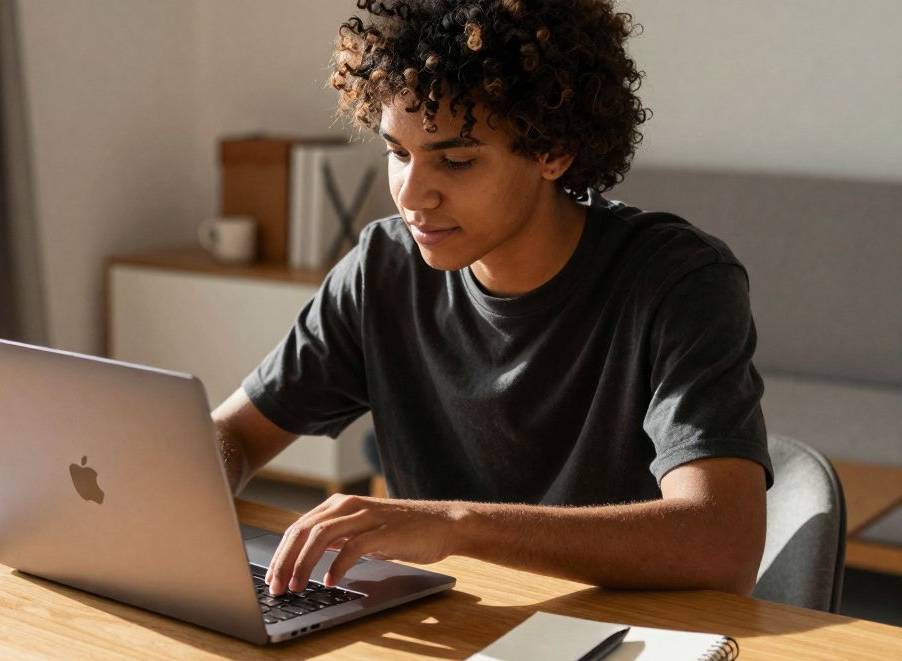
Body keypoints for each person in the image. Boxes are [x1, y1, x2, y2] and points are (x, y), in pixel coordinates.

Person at [211, 0, 772, 600]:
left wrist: (457, 525)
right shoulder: (382, 268)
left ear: (553, 152)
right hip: (452, 622)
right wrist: (190, 482)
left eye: (456, 161)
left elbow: (722, 545)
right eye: (398, 153)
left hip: (624, 635)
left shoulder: (678, 280)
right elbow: (235, 433)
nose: (412, 196)